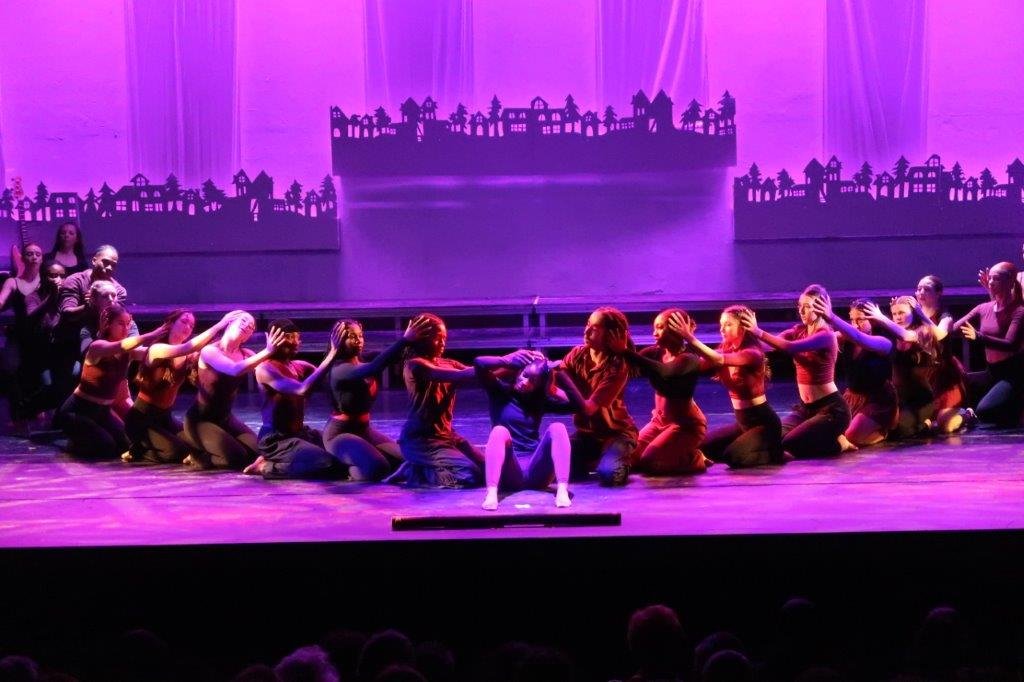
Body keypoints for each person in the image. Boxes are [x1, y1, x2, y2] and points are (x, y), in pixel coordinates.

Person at [390, 313, 521, 489]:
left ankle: (420, 466)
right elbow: (461, 375)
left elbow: (482, 375)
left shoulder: (448, 362)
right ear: (422, 339)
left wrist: (514, 366)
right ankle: (417, 472)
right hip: (422, 440)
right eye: (437, 339)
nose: (442, 343)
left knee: (488, 469)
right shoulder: (415, 365)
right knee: (469, 475)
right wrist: (506, 360)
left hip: (446, 435)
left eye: (444, 338)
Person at [740, 285, 850, 458]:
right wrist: (742, 340)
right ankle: (824, 436)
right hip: (804, 409)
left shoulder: (826, 335)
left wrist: (758, 331)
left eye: (806, 306)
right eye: (799, 306)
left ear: (820, 307)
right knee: (775, 436)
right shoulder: (797, 331)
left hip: (831, 409)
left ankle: (838, 443)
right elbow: (769, 345)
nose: (801, 310)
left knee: (791, 443)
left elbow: (790, 348)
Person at [123, 310, 243, 463]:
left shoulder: (186, 356)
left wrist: (237, 332)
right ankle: (138, 450)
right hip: (141, 419)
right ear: (171, 323)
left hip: (165, 418)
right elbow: (189, 347)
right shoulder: (157, 349)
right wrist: (220, 324)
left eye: (192, 325)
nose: (188, 327)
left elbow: (210, 348)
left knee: (195, 445)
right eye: (184, 321)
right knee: (176, 452)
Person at [322, 316, 432, 481]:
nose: (358, 340)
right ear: (338, 340)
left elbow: (390, 357)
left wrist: (417, 339)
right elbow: (376, 366)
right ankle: (340, 467)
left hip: (364, 430)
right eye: (352, 337)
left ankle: (363, 457)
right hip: (339, 434)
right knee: (377, 468)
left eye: (360, 335)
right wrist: (404, 339)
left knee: (410, 458)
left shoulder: (364, 360)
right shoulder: (339, 369)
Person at [55, 305, 168, 458]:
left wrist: (184, 347)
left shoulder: (129, 351)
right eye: (120, 323)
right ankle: (75, 442)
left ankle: (86, 437)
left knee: (125, 445)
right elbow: (121, 346)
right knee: (106, 446)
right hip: (77, 411)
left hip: (102, 412)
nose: (125, 328)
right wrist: (151, 334)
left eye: (128, 324)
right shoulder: (98, 346)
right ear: (109, 324)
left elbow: (152, 353)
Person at [677, 306, 784, 468]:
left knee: (733, 457)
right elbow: (698, 365)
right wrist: (673, 351)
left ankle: (776, 452)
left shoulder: (753, 353)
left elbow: (719, 360)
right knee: (703, 448)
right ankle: (753, 446)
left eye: (728, 324)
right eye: (721, 324)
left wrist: (690, 338)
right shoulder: (725, 348)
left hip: (763, 423)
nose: (722, 329)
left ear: (743, 327)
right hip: (742, 423)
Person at [608, 309, 710, 475]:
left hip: (685, 425)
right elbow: (633, 364)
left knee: (651, 463)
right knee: (631, 458)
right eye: (654, 328)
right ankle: (673, 452)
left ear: (674, 330)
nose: (654, 333)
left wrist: (625, 351)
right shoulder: (654, 352)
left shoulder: (689, 358)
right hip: (658, 422)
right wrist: (624, 343)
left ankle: (695, 457)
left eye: (660, 328)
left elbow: (665, 371)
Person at [477, 353, 583, 510]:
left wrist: (560, 374)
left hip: (537, 471)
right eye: (525, 376)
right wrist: (508, 360)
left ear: (538, 386)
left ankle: (562, 491)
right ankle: (491, 493)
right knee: (499, 431)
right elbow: (479, 363)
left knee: (558, 427)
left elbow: (577, 405)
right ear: (519, 372)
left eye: (533, 382)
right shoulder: (499, 392)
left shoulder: (538, 401)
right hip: (510, 472)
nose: (525, 382)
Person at [244, 319, 347, 479]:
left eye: (297, 337)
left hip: (300, 433)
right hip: (277, 439)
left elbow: (328, 378)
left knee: (342, 452)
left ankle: (280, 459)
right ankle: (267, 466)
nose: (295, 342)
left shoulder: (299, 365)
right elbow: (301, 389)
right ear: (272, 340)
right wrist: (332, 354)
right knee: (328, 464)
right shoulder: (265, 369)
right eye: (289, 338)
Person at [183, 313, 284, 469]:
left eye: (251, 327)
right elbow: (234, 369)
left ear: (249, 336)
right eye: (243, 320)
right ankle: (198, 455)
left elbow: (270, 371)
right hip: (200, 420)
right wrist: (267, 350)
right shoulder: (209, 351)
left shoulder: (246, 355)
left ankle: (214, 445)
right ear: (230, 324)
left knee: (259, 452)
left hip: (225, 418)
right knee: (236, 458)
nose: (246, 325)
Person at [559, 307, 639, 486]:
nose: (586, 331)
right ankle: (596, 458)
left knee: (609, 475)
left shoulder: (617, 366)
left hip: (616, 434)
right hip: (587, 435)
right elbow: (562, 384)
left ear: (611, 334)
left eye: (594, 328)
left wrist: (559, 375)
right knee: (558, 467)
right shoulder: (578, 355)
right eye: (587, 324)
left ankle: (622, 458)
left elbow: (588, 409)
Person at [812, 296, 897, 449]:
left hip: (877, 400)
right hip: (852, 397)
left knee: (851, 436)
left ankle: (882, 431)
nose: (855, 325)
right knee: (827, 431)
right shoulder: (847, 339)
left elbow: (859, 337)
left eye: (861, 320)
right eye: (852, 320)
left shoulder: (883, 342)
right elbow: (823, 338)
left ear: (873, 320)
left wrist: (830, 316)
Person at [0, 244, 62, 428]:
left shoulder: (48, 280)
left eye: (37, 254)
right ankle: (17, 415)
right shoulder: (13, 282)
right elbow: (2, 300)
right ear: (22, 258)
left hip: (42, 336)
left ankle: (39, 411)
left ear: (42, 258)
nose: (34, 257)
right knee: (10, 369)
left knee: (41, 374)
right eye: (29, 254)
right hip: (20, 334)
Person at [955, 261, 1024, 425]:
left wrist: (979, 337)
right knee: (961, 385)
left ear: (1009, 282)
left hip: (1013, 372)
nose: (991, 282)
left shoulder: (1019, 311)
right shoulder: (984, 308)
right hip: (992, 371)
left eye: (996, 279)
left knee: (986, 412)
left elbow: (1011, 344)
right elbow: (956, 327)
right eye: (990, 279)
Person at [863, 296, 940, 438]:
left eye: (902, 313)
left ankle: (930, 423)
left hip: (920, 400)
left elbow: (906, 336)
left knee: (900, 430)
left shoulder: (923, 331)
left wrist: (882, 318)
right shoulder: (891, 334)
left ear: (913, 314)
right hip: (899, 398)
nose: (897, 317)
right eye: (894, 314)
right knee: (885, 426)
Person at [915, 275, 968, 431]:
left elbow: (941, 334)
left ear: (938, 293)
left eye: (926, 289)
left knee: (947, 424)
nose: (921, 292)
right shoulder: (912, 317)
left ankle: (967, 414)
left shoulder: (945, 317)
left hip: (943, 376)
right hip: (921, 376)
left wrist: (922, 315)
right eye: (918, 289)